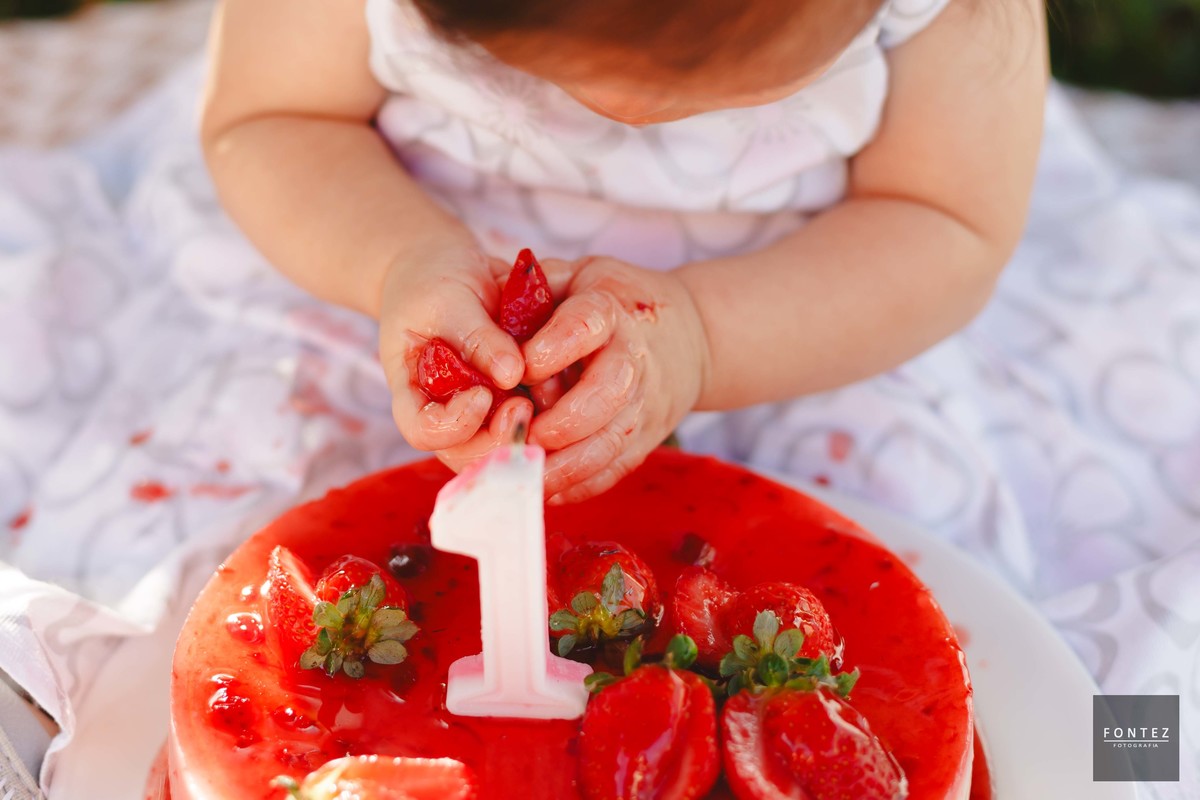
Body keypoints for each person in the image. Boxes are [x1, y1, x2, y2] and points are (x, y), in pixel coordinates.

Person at [200, 0, 1046, 504]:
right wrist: (396, 262)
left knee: (908, 531)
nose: (626, 109)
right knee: (277, 496)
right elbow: (278, 118)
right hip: (378, 236)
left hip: (801, 310)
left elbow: (943, 219)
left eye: (717, 80)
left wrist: (704, 339)